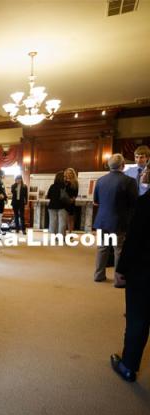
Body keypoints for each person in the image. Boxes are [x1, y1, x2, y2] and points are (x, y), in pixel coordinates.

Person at [111, 162, 150, 382]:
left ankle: (128, 366)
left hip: (144, 271)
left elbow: (134, 240)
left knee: (138, 319)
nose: (143, 173)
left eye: (146, 170)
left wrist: (122, 268)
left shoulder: (146, 202)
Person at [93, 153, 138, 285]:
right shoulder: (129, 181)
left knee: (102, 248)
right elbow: (134, 203)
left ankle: (98, 275)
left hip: (102, 220)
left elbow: (96, 201)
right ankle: (119, 280)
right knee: (119, 250)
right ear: (123, 165)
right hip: (119, 221)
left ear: (109, 165)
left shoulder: (100, 180)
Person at [46, 171, 68, 235]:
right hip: (62, 206)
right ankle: (60, 237)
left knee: (52, 223)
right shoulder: (65, 186)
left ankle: (53, 236)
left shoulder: (52, 186)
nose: (65, 177)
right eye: (64, 176)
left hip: (52, 206)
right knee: (62, 223)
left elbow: (49, 196)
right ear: (61, 177)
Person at [64, 167, 79, 231]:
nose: (69, 174)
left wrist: (73, 199)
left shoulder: (75, 182)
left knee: (71, 218)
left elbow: (76, 192)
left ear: (73, 174)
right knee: (65, 219)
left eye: (70, 173)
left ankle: (70, 232)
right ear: (66, 173)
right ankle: (63, 233)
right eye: (68, 173)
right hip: (64, 202)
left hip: (71, 202)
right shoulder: (64, 181)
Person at [0, 169, 8, 235]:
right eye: (3, 174)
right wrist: (6, 198)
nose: (4, 175)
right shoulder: (0, 182)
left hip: (1, 200)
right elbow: (2, 192)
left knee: (0, 215)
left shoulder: (0, 181)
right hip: (0, 201)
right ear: (1, 175)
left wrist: (5, 198)